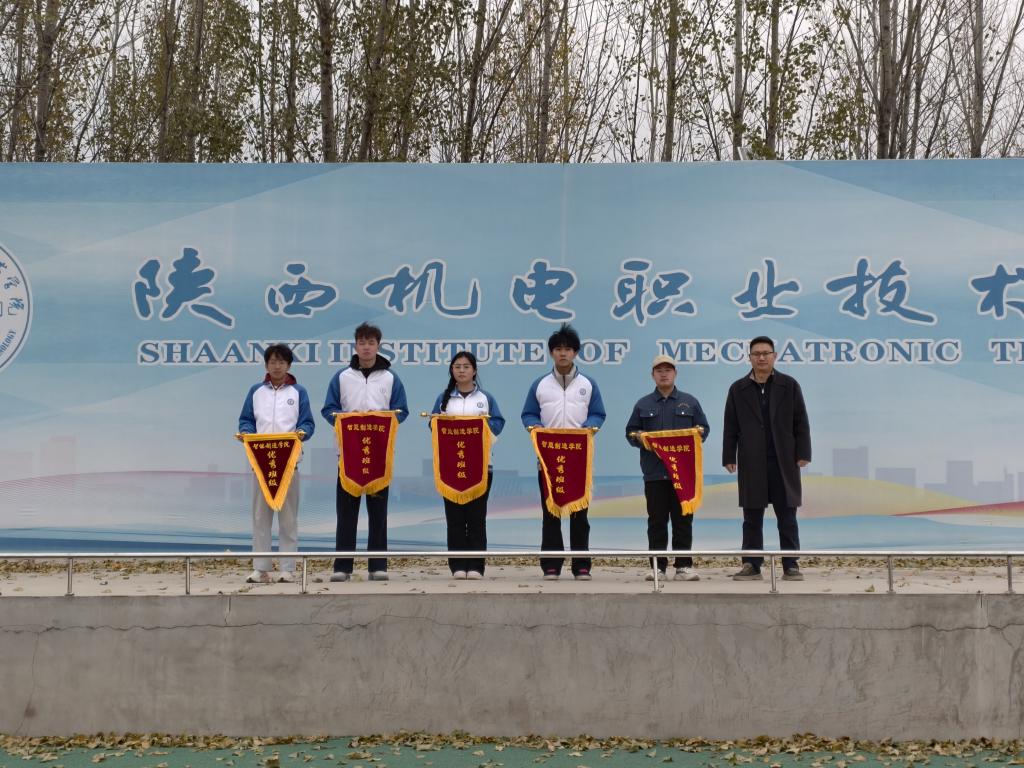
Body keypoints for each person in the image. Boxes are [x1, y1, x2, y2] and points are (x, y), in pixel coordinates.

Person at [321, 322, 409, 582]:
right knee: (346, 513)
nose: (366, 347)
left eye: (371, 343)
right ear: (355, 346)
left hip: (379, 456)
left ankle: (378, 565)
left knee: (378, 513)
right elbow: (328, 410)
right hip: (348, 455)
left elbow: (401, 411)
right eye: (362, 343)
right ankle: (342, 567)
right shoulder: (342, 377)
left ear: (378, 346)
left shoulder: (391, 378)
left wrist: (379, 422)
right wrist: (348, 422)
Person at [722, 336, 811, 581]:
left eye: (766, 353)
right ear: (749, 357)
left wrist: (803, 453)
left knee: (787, 516)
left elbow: (801, 422)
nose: (761, 357)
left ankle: (791, 564)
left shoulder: (789, 385)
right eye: (756, 354)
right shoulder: (738, 388)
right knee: (751, 517)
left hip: (784, 460)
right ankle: (752, 564)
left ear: (774, 356)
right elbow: (730, 425)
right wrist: (729, 455)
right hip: (752, 460)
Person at [521, 323, 606, 581]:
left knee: (580, 514)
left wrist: (591, 426)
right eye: (558, 349)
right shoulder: (540, 384)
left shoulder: (588, 384)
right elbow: (528, 414)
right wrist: (534, 427)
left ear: (576, 353)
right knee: (551, 513)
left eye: (568, 349)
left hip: (579, 458)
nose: (563, 353)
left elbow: (598, 413)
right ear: (551, 353)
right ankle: (551, 565)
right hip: (548, 459)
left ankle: (581, 566)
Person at [626, 354, 710, 582]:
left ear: (675, 373)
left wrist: (697, 433)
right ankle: (658, 567)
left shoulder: (690, 402)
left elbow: (703, 429)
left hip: (683, 474)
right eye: (659, 370)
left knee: (683, 521)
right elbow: (630, 432)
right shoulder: (643, 404)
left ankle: (683, 566)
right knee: (657, 522)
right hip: (655, 474)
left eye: (668, 370)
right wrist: (640, 437)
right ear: (652, 375)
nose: (664, 374)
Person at [237, 343, 316, 584]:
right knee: (260, 518)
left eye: (281, 362)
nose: (277, 366)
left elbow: (308, 423)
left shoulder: (298, 392)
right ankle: (260, 569)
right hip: (261, 464)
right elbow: (246, 420)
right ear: (266, 365)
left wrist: (302, 433)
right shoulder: (256, 391)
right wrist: (246, 432)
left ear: (289, 365)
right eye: (272, 361)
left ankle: (287, 568)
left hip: (289, 463)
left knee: (288, 519)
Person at [429, 351, 506, 579]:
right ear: (451, 371)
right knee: (454, 520)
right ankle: (457, 566)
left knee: (476, 519)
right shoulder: (443, 399)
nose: (461, 370)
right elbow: (433, 427)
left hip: (481, 468)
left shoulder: (485, 398)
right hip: (450, 468)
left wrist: (480, 428)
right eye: (457, 367)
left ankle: (476, 566)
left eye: (466, 366)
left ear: (474, 371)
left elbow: (498, 424)